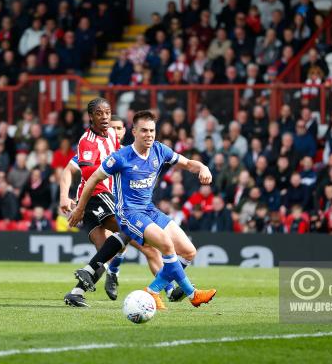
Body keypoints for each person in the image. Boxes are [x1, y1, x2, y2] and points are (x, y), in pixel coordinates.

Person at [69, 110, 216, 310]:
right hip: (129, 214)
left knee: (189, 252)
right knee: (165, 245)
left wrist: (203, 168)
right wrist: (80, 208)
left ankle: (153, 291)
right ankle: (192, 294)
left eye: (152, 130)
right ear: (135, 131)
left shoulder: (160, 150)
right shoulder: (121, 157)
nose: (149, 134)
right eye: (144, 130)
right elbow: (93, 178)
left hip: (149, 210)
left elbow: (189, 164)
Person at [60, 113, 162, 305]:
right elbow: (68, 170)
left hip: (114, 205)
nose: (114, 131)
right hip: (97, 201)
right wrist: (64, 196)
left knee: (108, 253)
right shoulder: (98, 148)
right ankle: (170, 286)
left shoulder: (131, 153)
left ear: (125, 131)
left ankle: (77, 292)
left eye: (118, 128)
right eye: (111, 128)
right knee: (130, 237)